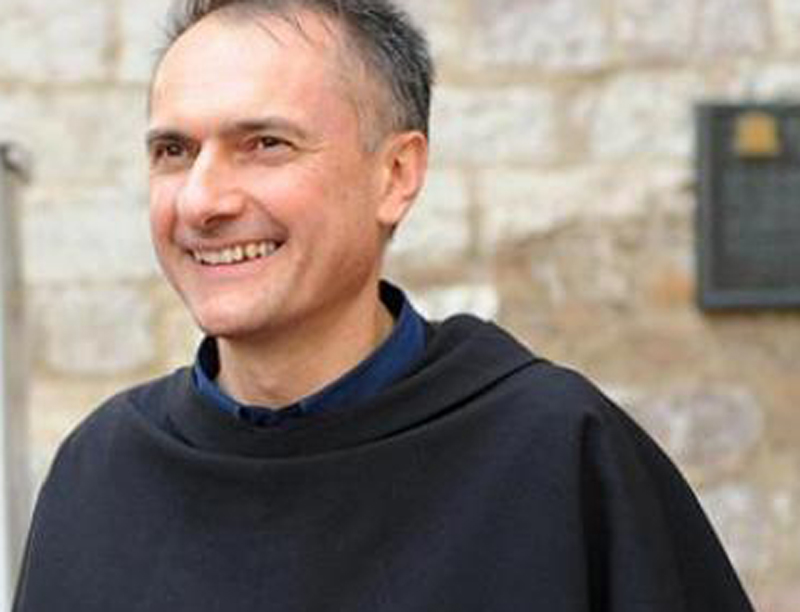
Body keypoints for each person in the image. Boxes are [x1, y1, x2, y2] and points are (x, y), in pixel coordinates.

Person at [14, 1, 755, 610]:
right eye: (174, 152)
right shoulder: (99, 473)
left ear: (397, 175)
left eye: (265, 144)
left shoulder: (558, 455)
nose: (202, 201)